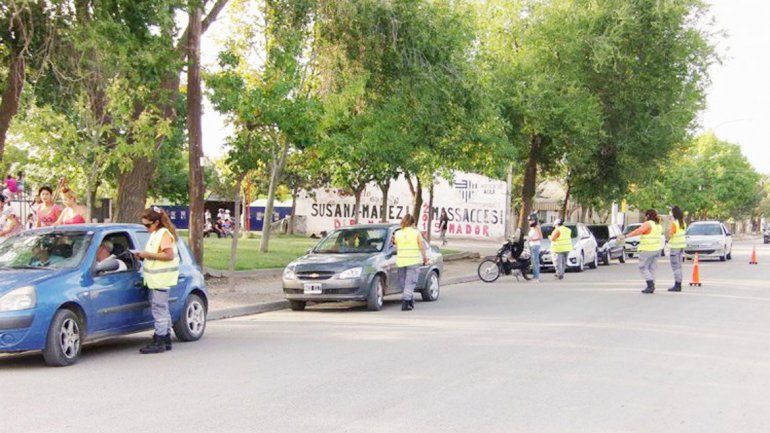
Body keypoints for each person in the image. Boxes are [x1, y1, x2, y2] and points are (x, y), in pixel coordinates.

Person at [133, 208, 180, 354]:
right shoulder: (156, 233)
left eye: (148, 225)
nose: (146, 228)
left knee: (159, 309)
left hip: (161, 279)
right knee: (162, 309)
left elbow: (168, 255)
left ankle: (159, 341)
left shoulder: (163, 234)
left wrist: (148, 255)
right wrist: (143, 256)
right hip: (156, 279)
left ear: (157, 222)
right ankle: (165, 338)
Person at [393, 214, 428, 311]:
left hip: (401, 261)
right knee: (410, 282)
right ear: (413, 223)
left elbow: (396, 247)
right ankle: (406, 302)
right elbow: (421, 246)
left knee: (404, 283)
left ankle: (409, 300)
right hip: (413, 261)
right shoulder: (416, 233)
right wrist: (425, 258)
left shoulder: (397, 233)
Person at [626, 209, 664, 294]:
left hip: (647, 249)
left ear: (648, 216)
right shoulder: (658, 225)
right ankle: (652, 285)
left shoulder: (648, 223)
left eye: (645, 216)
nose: (644, 217)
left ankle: (650, 284)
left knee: (643, 267)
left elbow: (639, 231)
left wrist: (627, 235)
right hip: (657, 249)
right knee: (652, 268)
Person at [667, 206, 687, 292]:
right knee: (679, 266)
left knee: (675, 267)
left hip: (675, 247)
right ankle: (679, 283)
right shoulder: (683, 223)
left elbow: (670, 234)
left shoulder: (675, 223)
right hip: (681, 246)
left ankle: (677, 284)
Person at [527, 214, 543, 282]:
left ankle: (536, 278)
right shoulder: (532, 228)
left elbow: (541, 237)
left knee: (535, 262)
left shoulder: (537, 227)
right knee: (533, 262)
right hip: (532, 246)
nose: (530, 221)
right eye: (529, 220)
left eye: (531, 220)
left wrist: (532, 239)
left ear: (535, 220)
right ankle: (534, 276)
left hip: (535, 246)